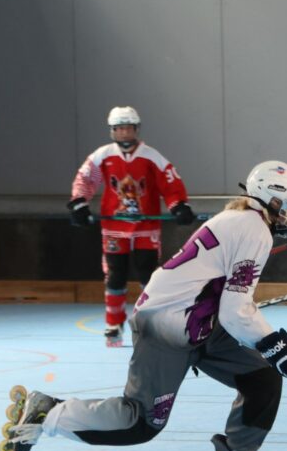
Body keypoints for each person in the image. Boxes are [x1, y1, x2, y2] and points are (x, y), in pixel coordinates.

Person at [0, 161, 287, 451]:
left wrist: (275, 348)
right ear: (272, 198)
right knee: (140, 423)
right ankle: (51, 412)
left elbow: (231, 303)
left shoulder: (245, 220)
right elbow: (236, 309)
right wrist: (277, 344)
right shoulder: (254, 228)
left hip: (199, 323)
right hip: (169, 324)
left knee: (262, 377)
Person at [69, 106, 195, 348]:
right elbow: (85, 178)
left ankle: (151, 323)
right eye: (119, 129)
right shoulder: (103, 155)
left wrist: (179, 205)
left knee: (149, 275)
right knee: (115, 275)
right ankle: (113, 323)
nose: (124, 133)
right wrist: (79, 203)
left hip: (146, 226)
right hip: (114, 227)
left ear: (136, 129)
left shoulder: (151, 156)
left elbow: (170, 182)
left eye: (128, 128)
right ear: (112, 131)